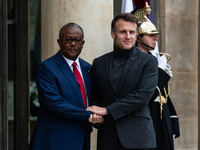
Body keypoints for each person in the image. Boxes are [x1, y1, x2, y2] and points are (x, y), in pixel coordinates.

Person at [87, 13, 158, 150]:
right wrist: (96, 118)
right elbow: (96, 97)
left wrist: (106, 111)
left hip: (138, 138)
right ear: (113, 34)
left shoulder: (149, 62)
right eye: (122, 32)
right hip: (108, 138)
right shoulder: (99, 63)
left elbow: (142, 97)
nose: (128, 36)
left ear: (136, 34)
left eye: (132, 32)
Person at [29, 23, 102, 150]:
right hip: (56, 140)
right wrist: (87, 114)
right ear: (59, 42)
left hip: (82, 138)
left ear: (83, 43)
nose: (73, 44)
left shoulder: (88, 68)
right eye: (68, 40)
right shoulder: (47, 67)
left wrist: (100, 113)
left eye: (77, 40)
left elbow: (92, 98)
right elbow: (53, 103)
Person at [131, 2, 180, 150]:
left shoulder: (154, 59)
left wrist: (173, 120)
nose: (155, 39)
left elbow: (164, 93)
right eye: (151, 35)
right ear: (139, 37)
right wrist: (160, 69)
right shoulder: (134, 61)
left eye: (156, 35)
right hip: (148, 116)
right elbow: (149, 93)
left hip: (162, 116)